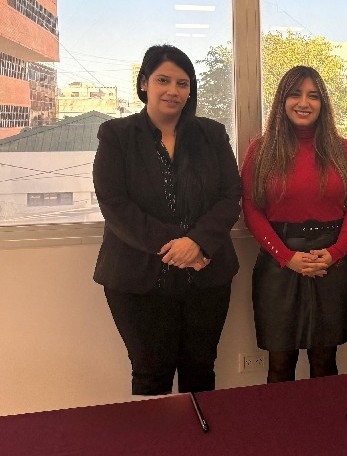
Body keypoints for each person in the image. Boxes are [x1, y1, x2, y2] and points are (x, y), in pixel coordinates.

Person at [92, 44, 241, 395]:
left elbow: (231, 195)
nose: (173, 90)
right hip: (137, 279)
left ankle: (199, 433)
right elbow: (115, 204)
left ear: (190, 90)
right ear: (144, 83)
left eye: (182, 83)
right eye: (163, 80)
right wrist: (179, 246)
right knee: (150, 373)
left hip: (206, 276)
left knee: (200, 368)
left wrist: (198, 243)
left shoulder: (212, 134)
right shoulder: (116, 135)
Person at [241, 66, 347, 382]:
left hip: (331, 264)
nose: (304, 103)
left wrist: (336, 252)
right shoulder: (261, 150)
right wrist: (286, 257)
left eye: (313, 96)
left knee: (325, 362)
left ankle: (325, 416)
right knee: (280, 364)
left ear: (323, 103)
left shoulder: (342, 150)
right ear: (282, 100)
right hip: (279, 264)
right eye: (295, 94)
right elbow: (252, 209)